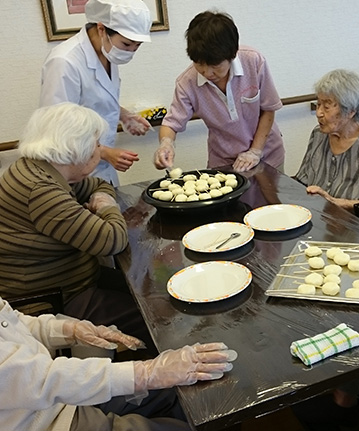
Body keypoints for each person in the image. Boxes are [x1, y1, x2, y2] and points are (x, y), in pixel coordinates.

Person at [0, 102, 151, 348]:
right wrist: (106, 207)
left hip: (73, 277)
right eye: (96, 144)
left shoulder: (41, 168)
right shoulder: (40, 190)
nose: (100, 150)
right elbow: (112, 240)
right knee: (153, 318)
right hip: (54, 298)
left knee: (148, 289)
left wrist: (102, 200)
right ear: (76, 150)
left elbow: (101, 186)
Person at [0, 295, 237, 431]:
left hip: (57, 398)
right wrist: (145, 372)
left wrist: (66, 330)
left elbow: (14, 320)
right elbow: (41, 379)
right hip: (43, 422)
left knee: (174, 393)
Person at [153, 10, 285, 173]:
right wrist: (166, 144)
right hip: (224, 162)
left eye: (215, 66)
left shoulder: (253, 61)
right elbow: (171, 124)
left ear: (232, 54)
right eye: (199, 64)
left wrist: (255, 151)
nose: (207, 73)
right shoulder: (187, 83)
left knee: (273, 199)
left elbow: (268, 109)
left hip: (268, 154)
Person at [40, 0, 153, 186]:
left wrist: (124, 115)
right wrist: (104, 152)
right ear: (102, 29)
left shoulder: (106, 52)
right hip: (72, 172)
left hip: (101, 171)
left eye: (137, 46)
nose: (131, 52)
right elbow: (55, 129)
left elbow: (93, 97)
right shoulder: (64, 62)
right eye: (127, 44)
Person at [294, 69, 359, 232]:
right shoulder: (318, 135)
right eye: (318, 104)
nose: (319, 113)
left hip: (357, 228)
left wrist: (334, 202)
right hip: (320, 220)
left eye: (326, 107)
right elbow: (303, 179)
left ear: (350, 111)